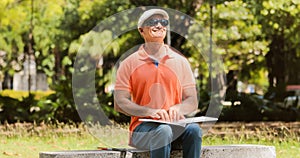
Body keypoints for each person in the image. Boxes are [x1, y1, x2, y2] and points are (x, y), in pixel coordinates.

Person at [114, 8, 202, 158]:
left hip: (174, 125)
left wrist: (178, 108)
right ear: (141, 31)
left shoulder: (180, 61)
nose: (159, 25)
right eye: (153, 22)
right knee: (163, 131)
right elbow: (119, 102)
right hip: (142, 129)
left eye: (163, 22)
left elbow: (192, 101)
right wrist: (149, 112)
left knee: (194, 130)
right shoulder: (129, 63)